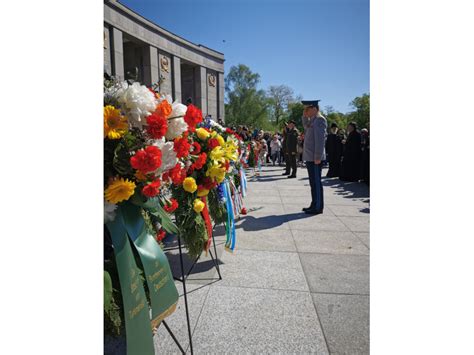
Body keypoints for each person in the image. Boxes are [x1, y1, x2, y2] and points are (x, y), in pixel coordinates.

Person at [301, 99, 327, 215]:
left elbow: (320, 140)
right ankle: (314, 204)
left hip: (315, 158)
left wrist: (318, 156)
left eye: (308, 109)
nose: (306, 111)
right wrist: (304, 116)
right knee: (313, 183)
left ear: (315, 108)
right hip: (310, 157)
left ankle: (318, 207)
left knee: (317, 183)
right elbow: (306, 127)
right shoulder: (313, 120)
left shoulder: (319, 120)